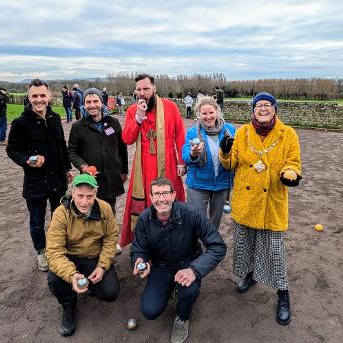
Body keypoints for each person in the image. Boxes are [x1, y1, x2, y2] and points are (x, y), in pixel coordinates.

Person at [219, 91, 302, 326]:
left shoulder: (288, 134)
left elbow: (293, 163)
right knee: (246, 244)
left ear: (275, 109)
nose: (263, 109)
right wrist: (225, 150)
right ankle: (250, 275)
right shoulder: (243, 133)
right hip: (245, 203)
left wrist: (290, 175)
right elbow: (230, 164)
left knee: (275, 251)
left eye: (268, 105)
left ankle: (283, 293)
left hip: (271, 203)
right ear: (252, 110)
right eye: (258, 106)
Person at [131, 177, 226, 343]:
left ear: (174, 195)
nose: (161, 199)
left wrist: (194, 270)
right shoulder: (144, 219)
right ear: (151, 197)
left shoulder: (191, 213)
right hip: (161, 266)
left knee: (189, 292)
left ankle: (182, 317)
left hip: (188, 263)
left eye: (166, 193)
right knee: (150, 311)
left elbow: (218, 246)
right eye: (157, 194)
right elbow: (139, 247)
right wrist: (140, 260)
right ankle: (169, 288)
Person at [6, 79, 73, 272]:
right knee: (37, 220)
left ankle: (57, 247)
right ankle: (42, 251)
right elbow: (12, 150)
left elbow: (62, 146)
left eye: (42, 95)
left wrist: (67, 168)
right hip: (35, 182)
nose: (39, 100)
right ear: (29, 97)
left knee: (59, 217)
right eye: (34, 96)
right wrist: (27, 159)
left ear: (49, 96)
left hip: (57, 179)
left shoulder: (55, 118)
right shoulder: (21, 123)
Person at [46, 174, 120, 337]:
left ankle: (91, 284)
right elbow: (54, 252)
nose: (84, 202)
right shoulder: (60, 213)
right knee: (55, 279)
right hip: (69, 257)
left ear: (96, 193)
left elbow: (111, 238)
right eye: (80, 196)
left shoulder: (105, 208)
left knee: (110, 293)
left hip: (94, 257)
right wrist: (71, 275)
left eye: (89, 196)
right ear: (72, 194)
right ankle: (68, 306)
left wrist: (102, 265)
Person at [120, 74, 187, 248]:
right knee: (146, 203)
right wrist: (138, 118)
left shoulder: (170, 107)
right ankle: (146, 242)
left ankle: (173, 240)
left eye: (146, 89)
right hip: (143, 167)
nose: (142, 93)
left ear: (154, 88)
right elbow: (127, 139)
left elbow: (180, 135)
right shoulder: (132, 111)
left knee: (169, 200)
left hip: (169, 164)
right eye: (139, 90)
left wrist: (182, 161)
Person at [68, 87, 128, 214]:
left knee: (109, 212)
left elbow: (122, 148)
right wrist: (83, 166)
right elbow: (72, 152)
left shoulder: (113, 123)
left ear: (101, 102)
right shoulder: (78, 127)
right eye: (88, 102)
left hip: (111, 177)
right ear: (84, 104)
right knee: (90, 213)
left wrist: (124, 171)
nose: (92, 105)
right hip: (90, 179)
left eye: (95, 101)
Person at [182, 96, 235, 229]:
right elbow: (185, 155)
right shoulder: (193, 132)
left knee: (214, 223)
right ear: (198, 114)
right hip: (198, 185)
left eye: (211, 112)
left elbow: (237, 154)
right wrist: (193, 154)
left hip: (222, 184)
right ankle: (196, 248)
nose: (208, 116)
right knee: (196, 221)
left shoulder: (230, 130)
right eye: (204, 113)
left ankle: (210, 247)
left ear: (217, 111)